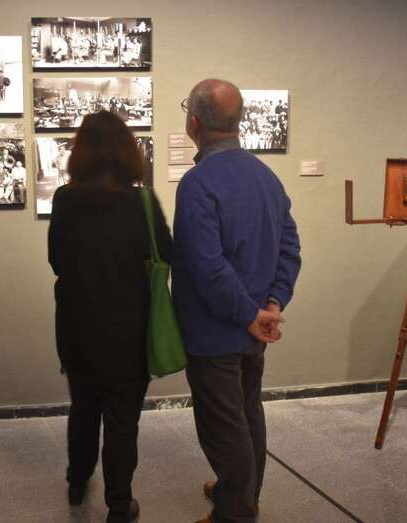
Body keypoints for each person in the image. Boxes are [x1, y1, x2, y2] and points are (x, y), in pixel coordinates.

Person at [173, 79, 301, 523]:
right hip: (256, 327)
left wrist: (251, 315)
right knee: (248, 412)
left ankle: (236, 512)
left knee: (223, 427)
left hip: (215, 333)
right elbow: (290, 248)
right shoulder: (267, 177)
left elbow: (206, 267)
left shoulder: (196, 184)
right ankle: (241, 491)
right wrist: (273, 304)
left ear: (194, 122)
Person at [48, 111, 172, 523]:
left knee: (83, 408)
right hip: (128, 331)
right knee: (122, 421)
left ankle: (75, 482)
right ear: (126, 152)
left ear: (81, 152)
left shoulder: (65, 200)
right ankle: (120, 504)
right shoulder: (141, 201)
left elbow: (56, 260)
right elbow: (167, 253)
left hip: (77, 328)